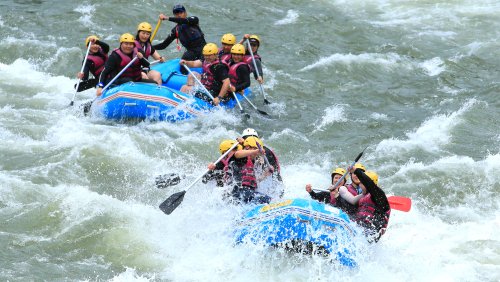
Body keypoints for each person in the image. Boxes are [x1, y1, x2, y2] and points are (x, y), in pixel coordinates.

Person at [346, 167, 391, 243]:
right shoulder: (363, 197)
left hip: (370, 234)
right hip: (359, 229)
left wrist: (356, 171)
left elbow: (370, 185)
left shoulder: (379, 196)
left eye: (361, 183)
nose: (359, 185)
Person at [155, 4, 206, 69]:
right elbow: (163, 45)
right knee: (182, 64)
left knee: (206, 63)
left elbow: (183, 21)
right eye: (176, 13)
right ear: (174, 15)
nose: (179, 15)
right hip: (191, 52)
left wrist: (167, 18)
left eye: (181, 12)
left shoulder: (193, 20)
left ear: (185, 13)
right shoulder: (175, 30)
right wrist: (150, 46)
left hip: (203, 49)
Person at [230, 136, 273, 204]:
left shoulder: (254, 163)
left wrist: (266, 174)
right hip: (238, 191)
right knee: (265, 199)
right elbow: (237, 154)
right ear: (247, 148)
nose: (258, 153)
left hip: (248, 192)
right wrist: (256, 151)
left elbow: (255, 181)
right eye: (255, 149)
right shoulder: (242, 158)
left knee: (268, 199)